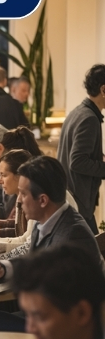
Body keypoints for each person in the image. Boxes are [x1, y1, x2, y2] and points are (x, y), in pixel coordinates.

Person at [0, 156, 103, 332]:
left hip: (66, 328)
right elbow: (35, 261)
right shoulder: (45, 220)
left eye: (23, 194)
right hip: (50, 314)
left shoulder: (73, 235)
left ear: (42, 200)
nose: (18, 200)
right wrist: (5, 267)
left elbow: (55, 290)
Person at [57, 64, 105, 233]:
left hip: (71, 197)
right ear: (103, 90)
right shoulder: (89, 118)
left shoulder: (77, 112)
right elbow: (77, 161)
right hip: (79, 200)